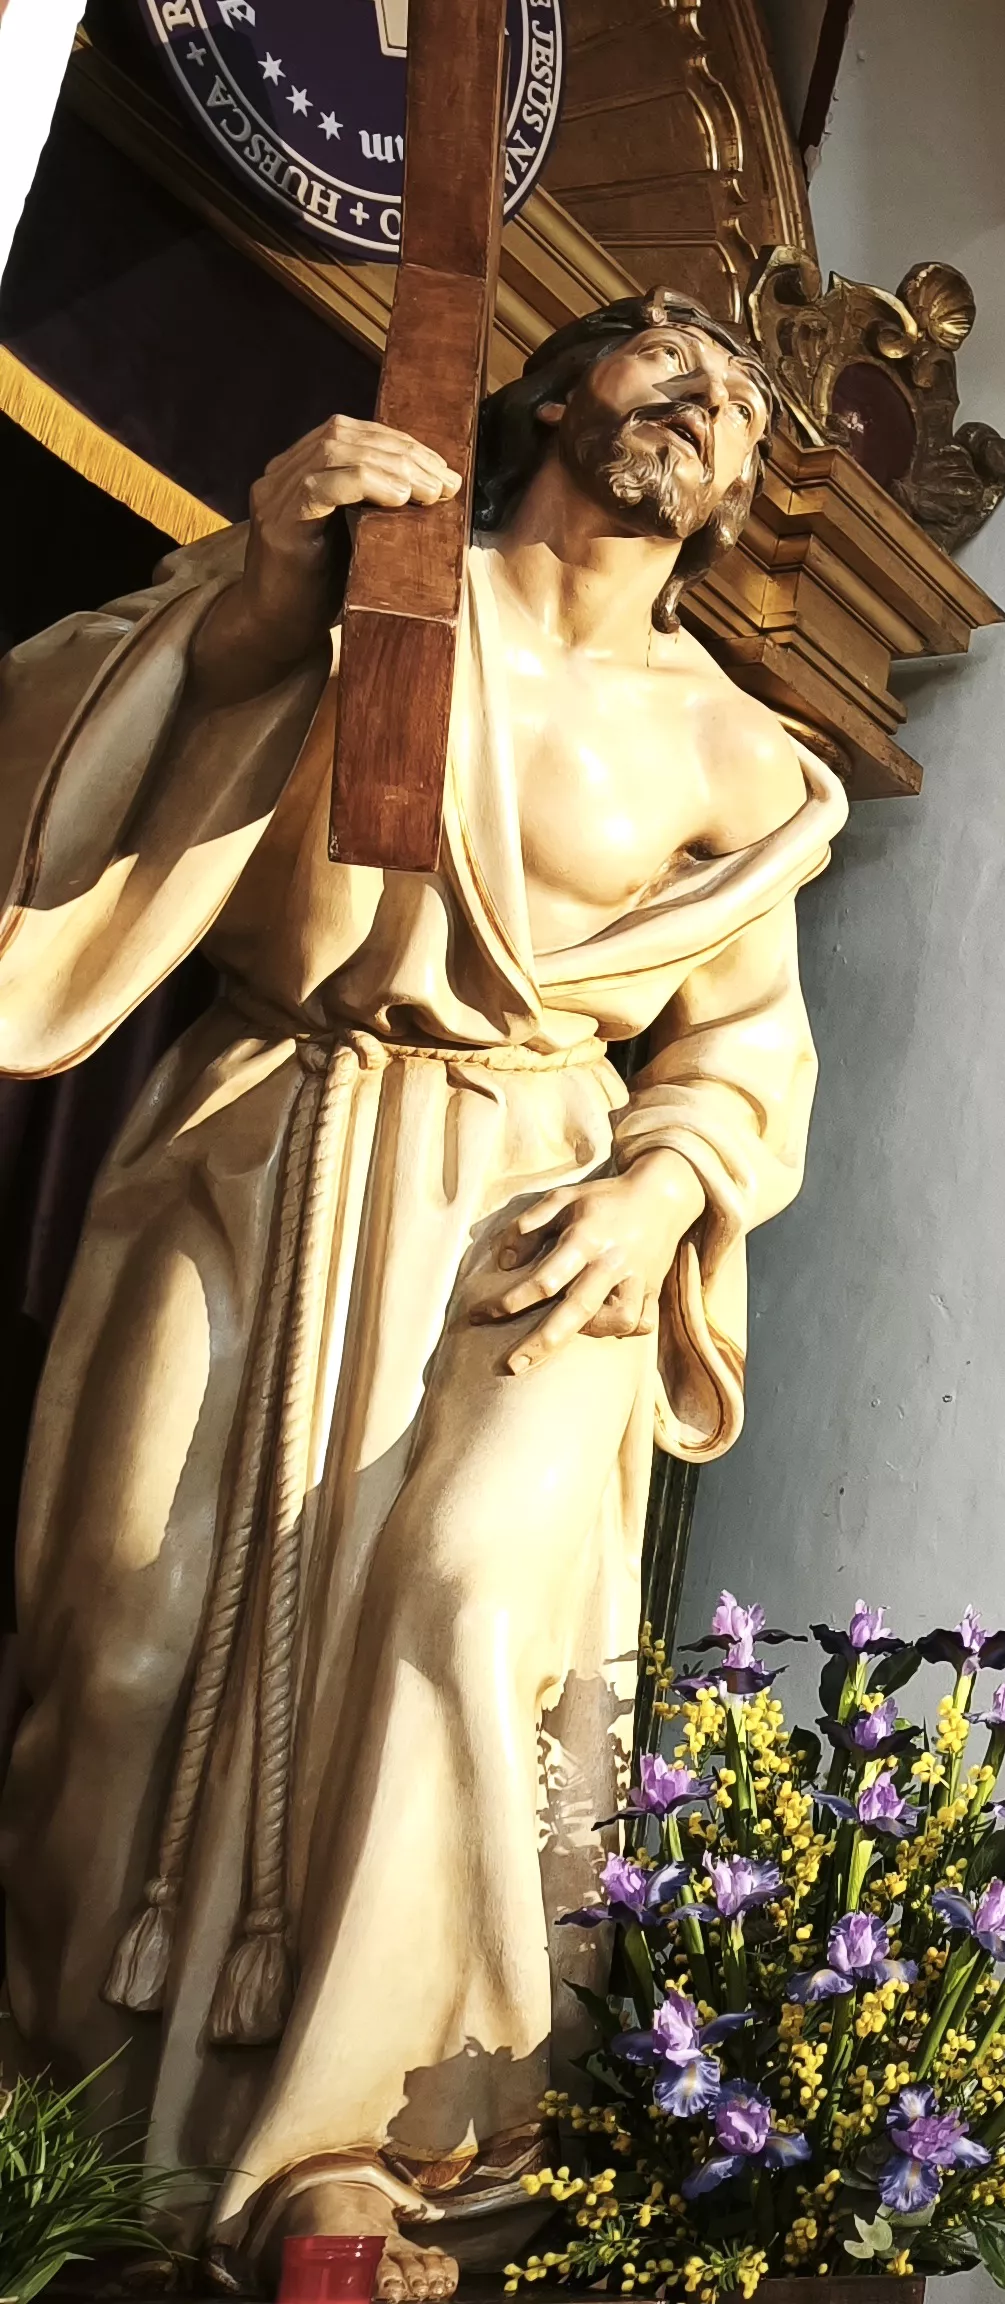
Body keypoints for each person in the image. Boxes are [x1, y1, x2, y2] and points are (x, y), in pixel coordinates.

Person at [0, 293, 833, 2299]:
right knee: (116, 1623)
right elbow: (75, 741)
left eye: (732, 407)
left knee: (463, 1602)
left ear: (734, 497)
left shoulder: (731, 750)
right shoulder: (372, 587)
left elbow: (746, 1049)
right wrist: (261, 590)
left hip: (540, 1204)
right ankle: (63, 2118)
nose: (695, 406)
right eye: (665, 361)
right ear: (560, 390)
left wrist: (668, 1181)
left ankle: (352, 2156)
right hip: (260, 1130)